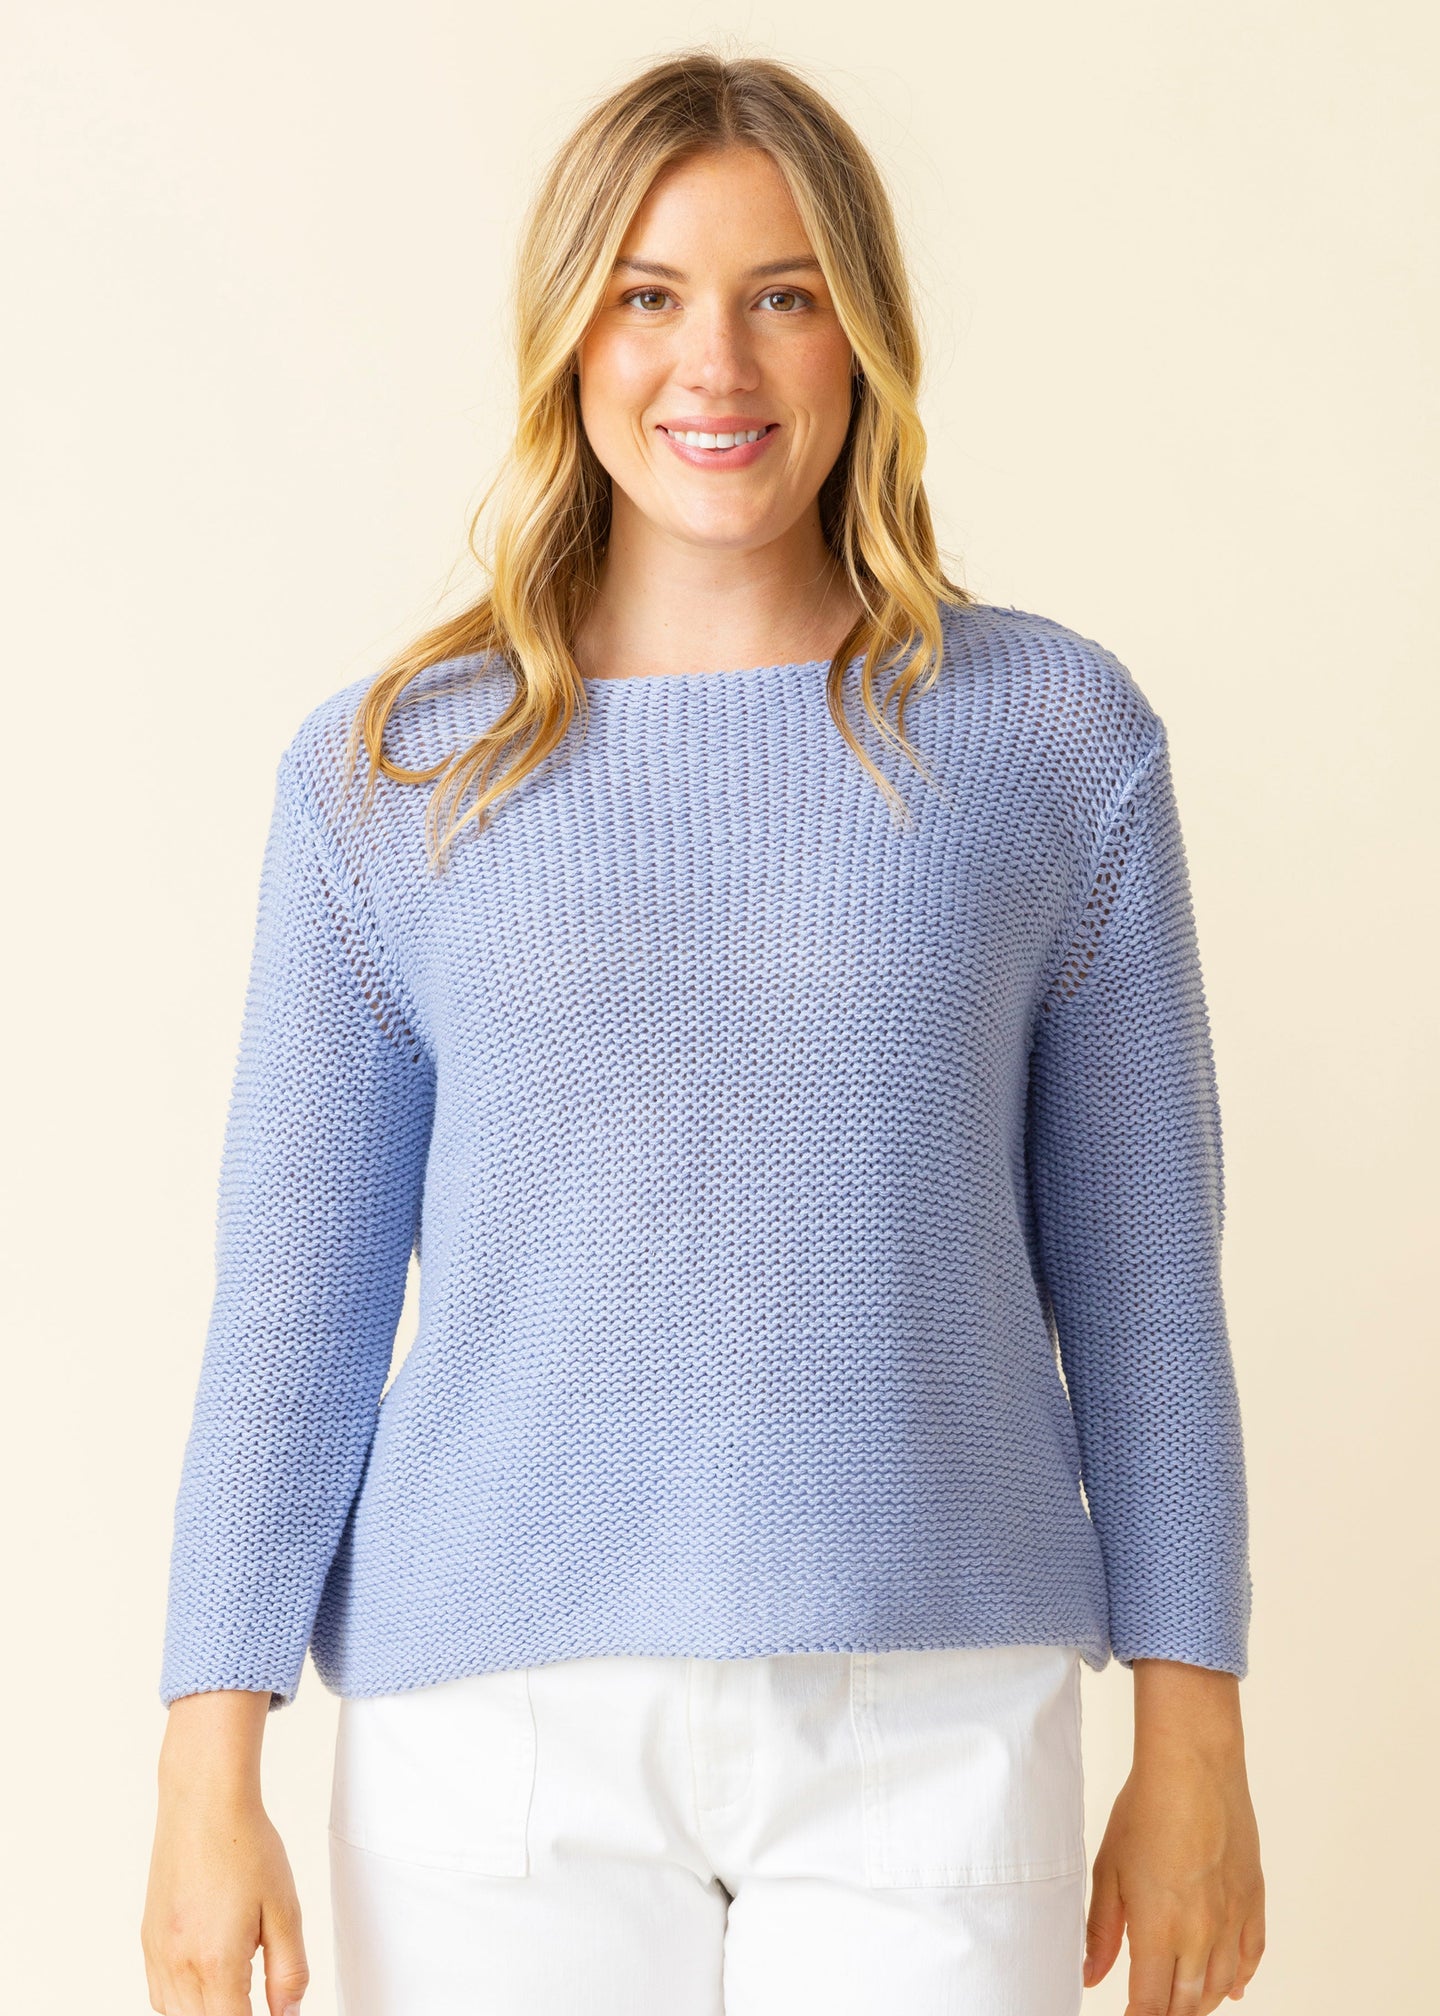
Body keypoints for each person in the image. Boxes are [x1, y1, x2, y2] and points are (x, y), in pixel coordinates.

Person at [142, 47, 1265, 2016]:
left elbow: (1148, 1287)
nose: (713, 366)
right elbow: (293, 1308)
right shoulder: (388, 775)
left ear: (865, 338)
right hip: (494, 1738)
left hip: (935, 1721)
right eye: (648, 296)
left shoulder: (1052, 743)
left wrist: (1197, 1741)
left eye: (784, 295)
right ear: (571, 338)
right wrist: (202, 1764)